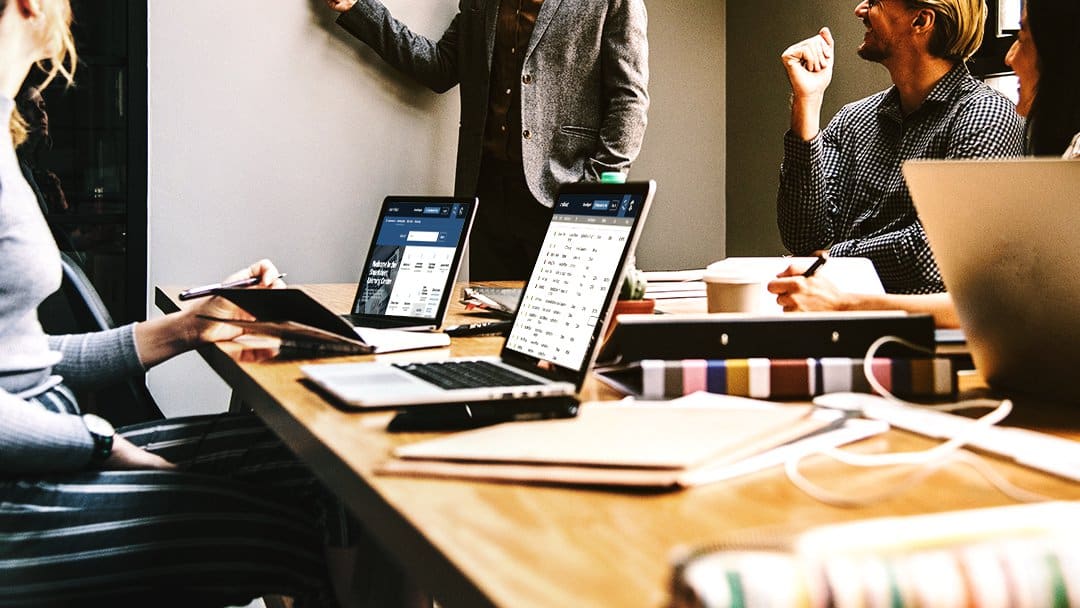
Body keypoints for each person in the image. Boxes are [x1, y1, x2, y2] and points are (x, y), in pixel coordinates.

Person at [1, 1, 406, 605]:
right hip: (23, 493)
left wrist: (189, 327)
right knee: (301, 526)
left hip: (45, 451)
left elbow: (22, 360)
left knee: (337, 463)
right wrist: (109, 447)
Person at [768, 0, 1079, 327]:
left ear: (921, 21)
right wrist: (807, 104)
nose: (861, 10)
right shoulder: (852, 120)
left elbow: (936, 256)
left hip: (928, 338)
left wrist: (830, 261)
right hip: (838, 324)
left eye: (875, 2)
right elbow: (803, 238)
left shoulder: (986, 117)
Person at [325, 0, 649, 280]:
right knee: (490, 329)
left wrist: (593, 189)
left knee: (558, 333)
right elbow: (440, 67)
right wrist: (359, 8)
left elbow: (629, 99)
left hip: (563, 194)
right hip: (487, 197)